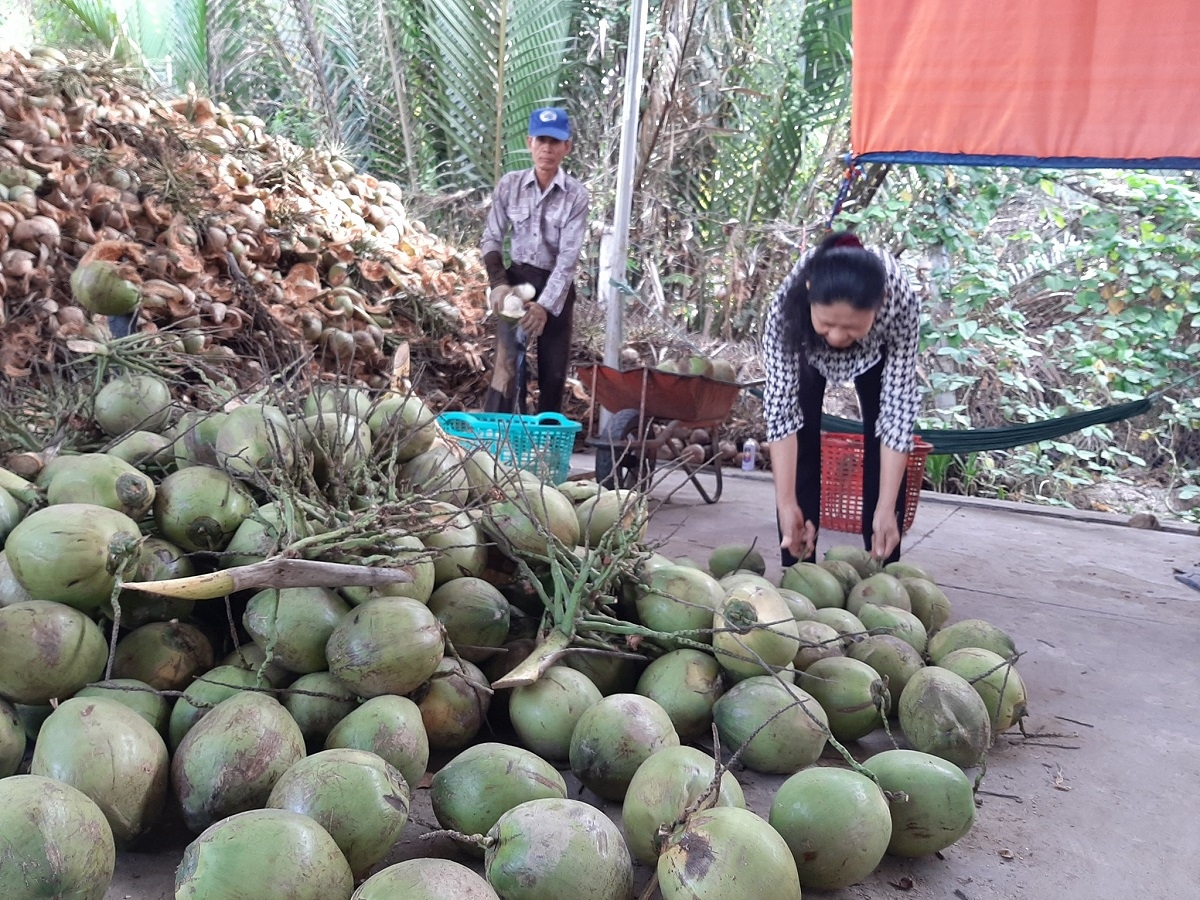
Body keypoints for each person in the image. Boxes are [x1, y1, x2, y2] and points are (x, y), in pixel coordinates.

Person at [761, 230, 922, 566]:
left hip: (876, 354)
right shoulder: (787, 308)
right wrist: (785, 502)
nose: (836, 337)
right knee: (801, 433)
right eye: (828, 323)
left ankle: (881, 563)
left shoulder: (901, 303)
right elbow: (781, 414)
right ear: (809, 294)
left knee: (883, 438)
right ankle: (799, 567)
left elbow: (897, 416)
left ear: (880, 303)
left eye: (850, 327)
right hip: (806, 347)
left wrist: (886, 507)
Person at [481, 107, 590, 414]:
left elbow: (568, 259)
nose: (547, 148)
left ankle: (549, 452)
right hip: (517, 281)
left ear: (566, 147)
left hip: (557, 288)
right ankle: (498, 445)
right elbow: (491, 238)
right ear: (529, 142)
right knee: (507, 366)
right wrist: (499, 285)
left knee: (553, 374)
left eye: (555, 142)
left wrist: (545, 306)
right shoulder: (510, 185)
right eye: (541, 140)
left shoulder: (576, 196)